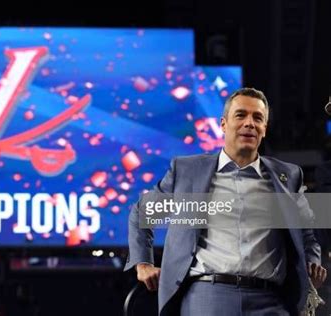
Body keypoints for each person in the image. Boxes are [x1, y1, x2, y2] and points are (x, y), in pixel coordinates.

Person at [125, 87, 327, 315]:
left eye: (257, 118)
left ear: (264, 129)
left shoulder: (288, 175)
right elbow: (141, 214)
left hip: (271, 301)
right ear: (223, 124)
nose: (249, 123)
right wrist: (143, 264)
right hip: (207, 297)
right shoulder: (188, 171)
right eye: (241, 115)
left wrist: (312, 261)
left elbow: (306, 231)